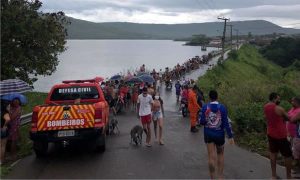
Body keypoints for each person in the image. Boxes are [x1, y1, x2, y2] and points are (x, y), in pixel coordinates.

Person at [200, 90, 234, 179]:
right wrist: (230, 136)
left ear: (209, 98)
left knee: (211, 156)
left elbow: (202, 122)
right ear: (217, 97)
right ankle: (220, 177)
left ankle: (212, 178)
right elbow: (226, 123)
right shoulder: (222, 107)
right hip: (219, 134)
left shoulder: (205, 107)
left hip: (208, 134)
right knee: (220, 154)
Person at [264, 92, 292, 179]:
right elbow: (289, 118)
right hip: (281, 135)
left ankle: (273, 175)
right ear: (274, 99)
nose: (279, 100)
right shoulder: (279, 108)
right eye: (278, 99)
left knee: (273, 154)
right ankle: (289, 177)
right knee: (287, 155)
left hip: (270, 133)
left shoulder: (266, 107)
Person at [289, 97, 300, 173]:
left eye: (293, 101)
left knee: (297, 152)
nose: (291, 102)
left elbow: (292, 119)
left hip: (298, 135)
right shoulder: (292, 109)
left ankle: (297, 169)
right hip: (295, 134)